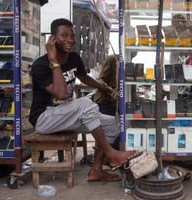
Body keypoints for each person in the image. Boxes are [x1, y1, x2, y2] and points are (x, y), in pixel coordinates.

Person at [29, 18, 138, 182]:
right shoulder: (41, 65)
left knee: (113, 125)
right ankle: (111, 153)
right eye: (64, 36)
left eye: (72, 36)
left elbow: (84, 77)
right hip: (45, 118)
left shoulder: (73, 58)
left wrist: (105, 88)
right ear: (52, 39)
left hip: (66, 114)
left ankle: (96, 170)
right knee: (86, 104)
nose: (70, 40)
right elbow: (61, 94)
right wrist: (53, 59)